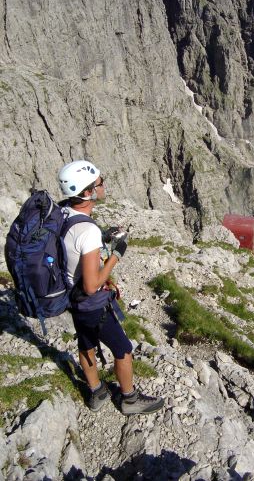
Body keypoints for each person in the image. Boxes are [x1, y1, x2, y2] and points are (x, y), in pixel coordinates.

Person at [58, 160, 164, 415]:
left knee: (85, 345)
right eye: (99, 183)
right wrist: (117, 253)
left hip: (72, 297)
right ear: (87, 192)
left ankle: (96, 392)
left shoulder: (65, 214)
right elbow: (93, 284)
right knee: (123, 349)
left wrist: (102, 237)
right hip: (91, 303)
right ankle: (129, 399)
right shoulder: (88, 232)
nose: (103, 186)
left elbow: (75, 247)